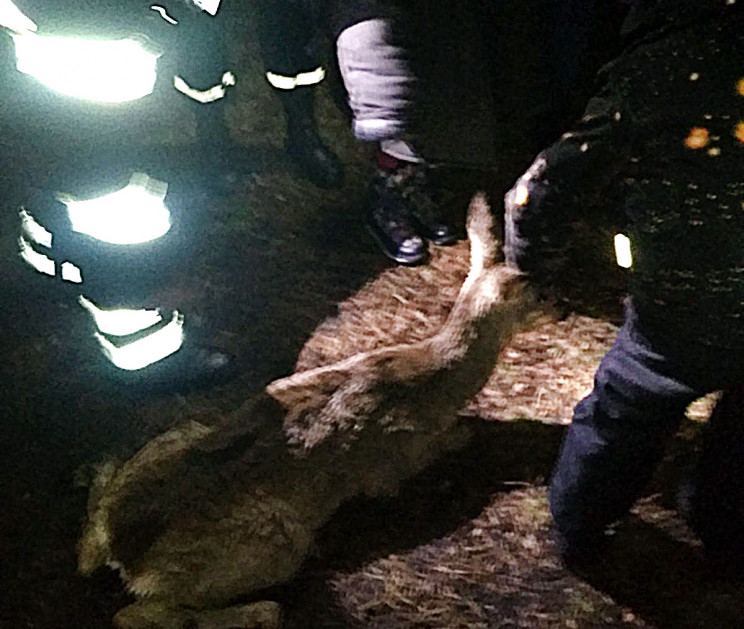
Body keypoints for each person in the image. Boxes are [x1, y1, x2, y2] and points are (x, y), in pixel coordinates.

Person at [503, 0, 744, 565]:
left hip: (676, 313)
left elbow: (539, 193)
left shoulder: (654, 71)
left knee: (624, 413)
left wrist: (532, 263)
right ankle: (723, 523)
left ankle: (579, 520)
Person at [3, 0, 238, 388]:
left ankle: (54, 269)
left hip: (44, 25)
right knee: (114, 205)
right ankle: (145, 354)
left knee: (60, 159)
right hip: (92, 36)